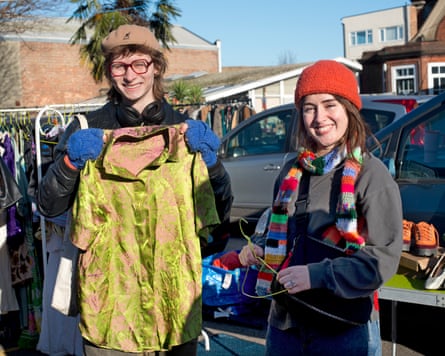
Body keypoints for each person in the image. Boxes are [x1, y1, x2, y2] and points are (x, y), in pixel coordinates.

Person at [37, 24, 233, 355]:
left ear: (155, 66)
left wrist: (211, 165)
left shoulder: (185, 131)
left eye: (139, 63)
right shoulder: (86, 128)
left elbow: (219, 215)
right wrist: (69, 164)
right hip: (111, 312)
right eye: (119, 66)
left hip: (174, 309)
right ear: (109, 71)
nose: (130, 75)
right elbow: (47, 205)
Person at [238, 60, 403, 356]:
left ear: (349, 109)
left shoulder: (372, 175)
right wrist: (261, 248)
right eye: (309, 107)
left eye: (330, 105)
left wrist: (317, 276)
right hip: (286, 324)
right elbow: (282, 234)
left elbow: (383, 259)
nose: (319, 117)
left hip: (343, 328)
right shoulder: (291, 171)